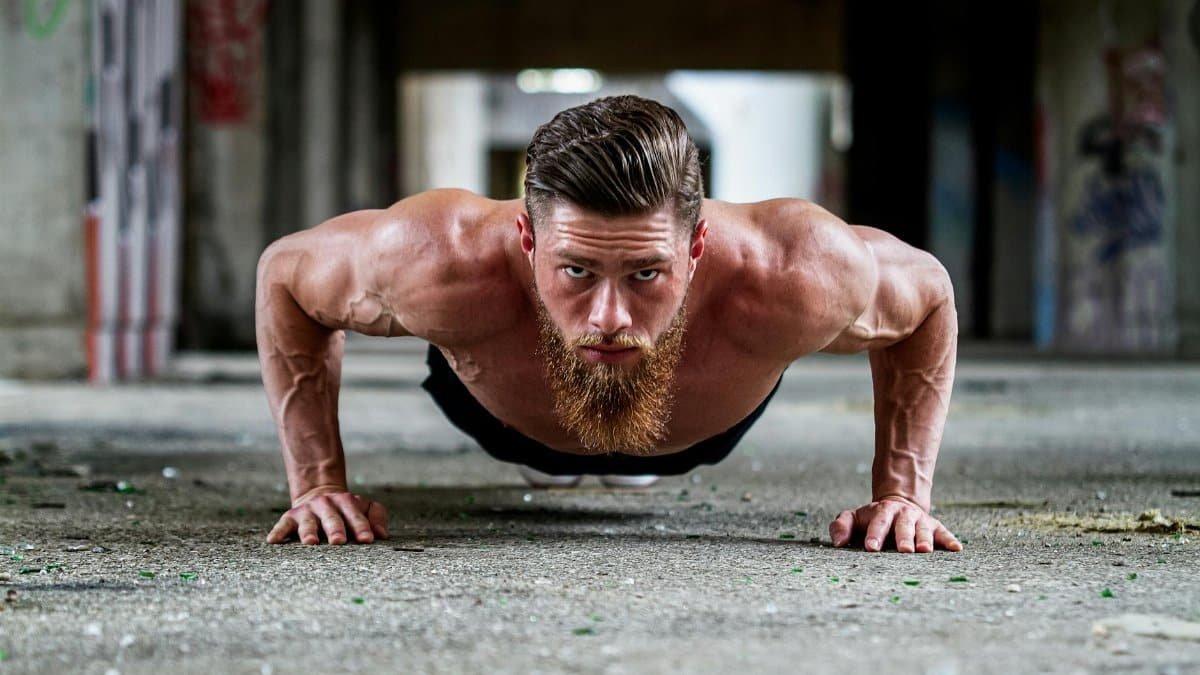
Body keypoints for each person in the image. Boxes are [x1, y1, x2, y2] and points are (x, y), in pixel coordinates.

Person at [255, 95, 962, 554]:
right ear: (528, 244)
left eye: (646, 274)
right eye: (577, 272)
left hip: (691, 432)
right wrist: (318, 481)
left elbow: (927, 296)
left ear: (696, 247)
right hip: (503, 416)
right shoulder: (439, 257)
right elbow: (286, 274)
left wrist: (901, 492)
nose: (610, 317)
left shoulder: (796, 269)